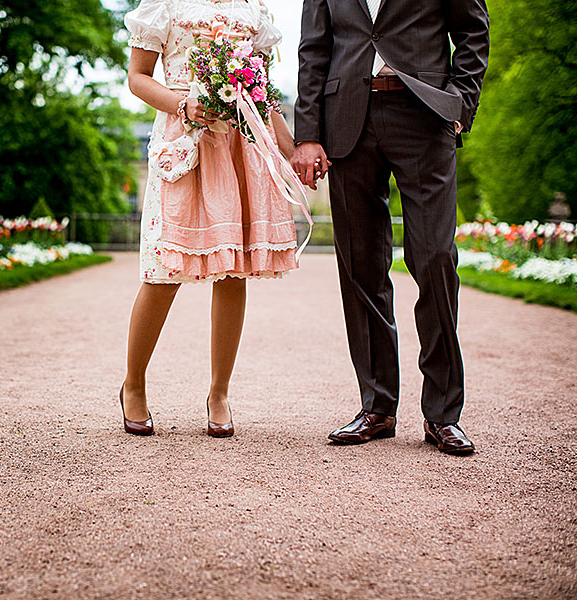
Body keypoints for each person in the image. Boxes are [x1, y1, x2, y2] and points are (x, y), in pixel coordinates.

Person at [292, 0, 490, 454]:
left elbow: (473, 32)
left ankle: (442, 414)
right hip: (346, 119)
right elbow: (314, 50)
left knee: (435, 257)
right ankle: (377, 407)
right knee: (361, 266)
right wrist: (308, 134)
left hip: (425, 113)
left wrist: (461, 103)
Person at [121, 0, 299, 437]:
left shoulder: (252, 9)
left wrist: (292, 152)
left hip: (239, 146)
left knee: (232, 270)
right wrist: (185, 105)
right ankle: (134, 385)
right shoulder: (163, 5)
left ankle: (219, 393)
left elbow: (262, 91)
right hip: (186, 142)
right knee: (163, 271)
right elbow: (138, 79)